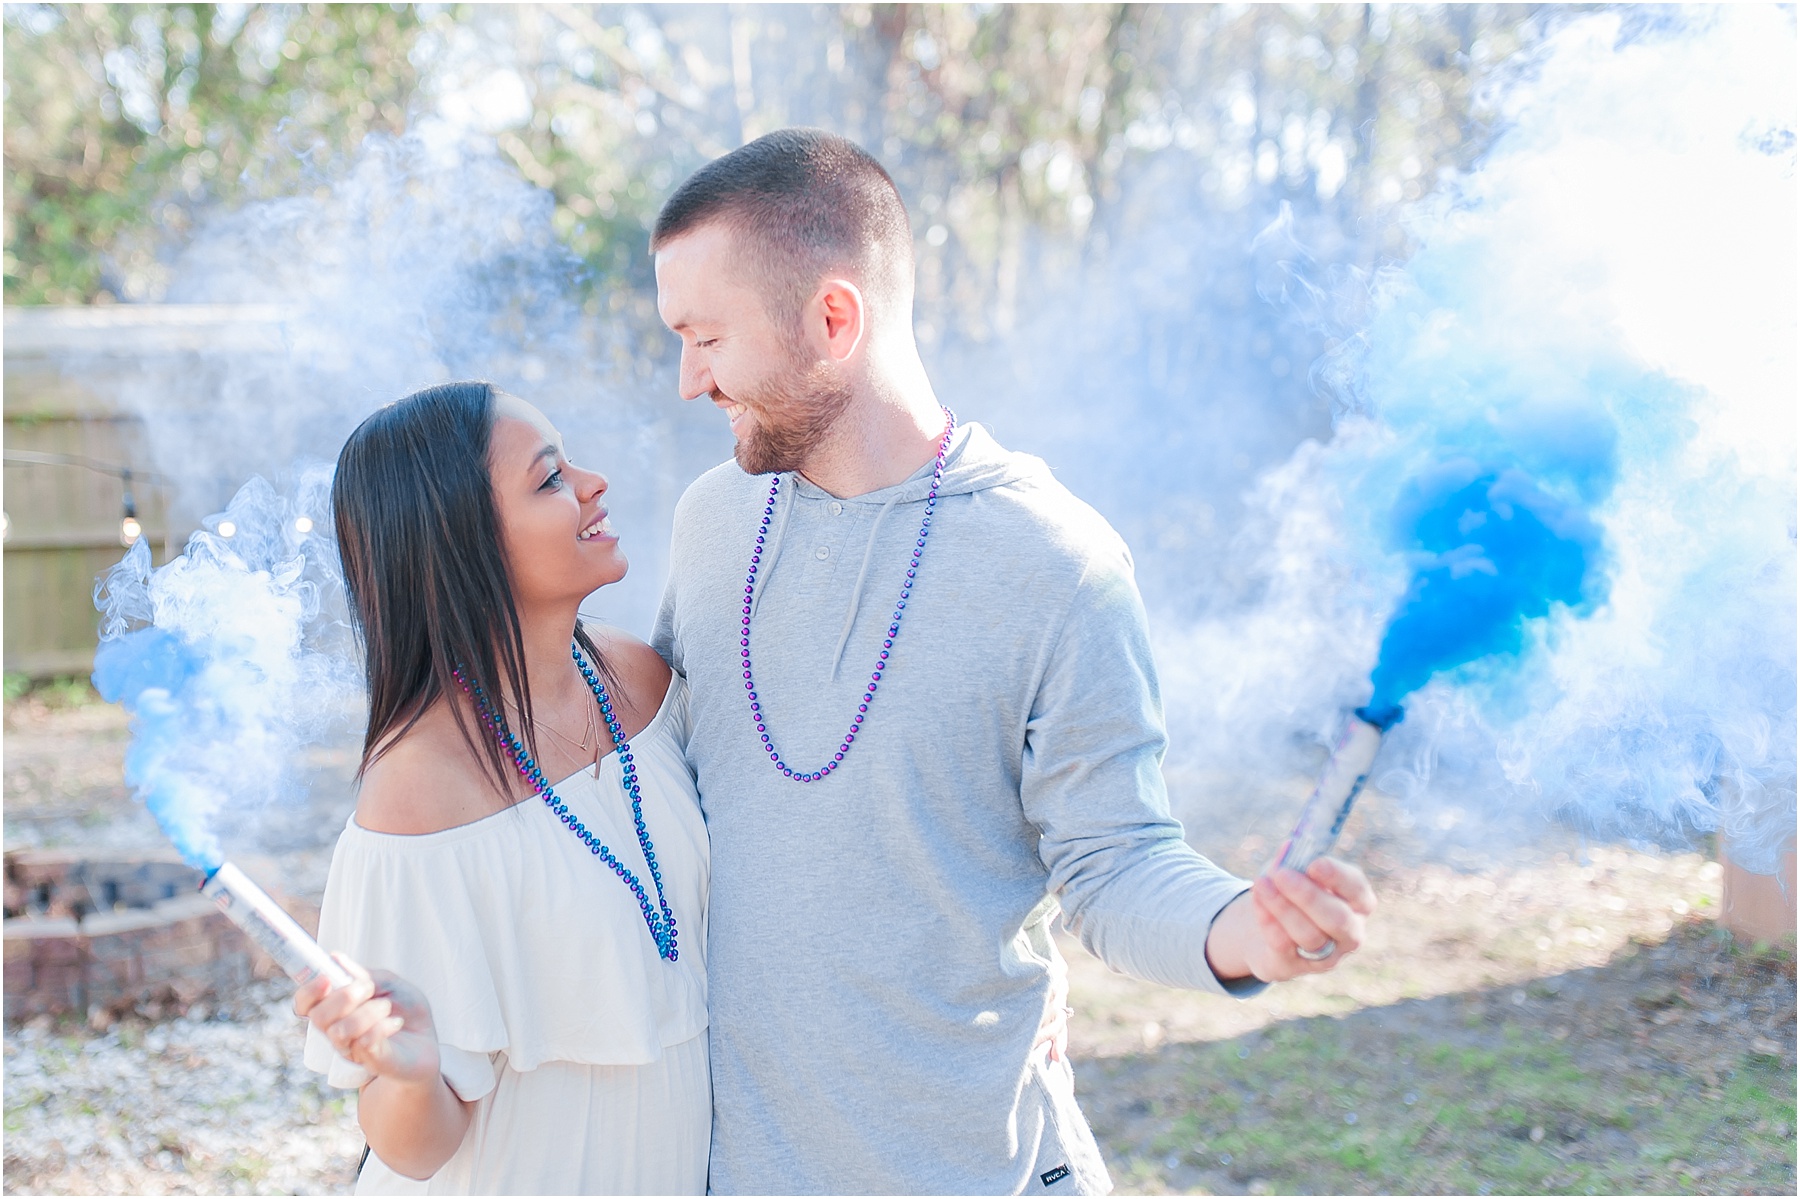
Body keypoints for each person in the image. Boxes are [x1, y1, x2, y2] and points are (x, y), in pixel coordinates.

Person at [650, 128, 1378, 1194]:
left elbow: (1117, 860)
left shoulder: (1058, 563)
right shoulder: (711, 522)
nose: (686, 380)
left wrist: (1237, 930)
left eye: (705, 337)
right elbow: (658, 790)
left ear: (834, 318)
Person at [293, 382, 712, 1194]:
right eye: (550, 478)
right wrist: (409, 1074)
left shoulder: (645, 678)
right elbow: (414, 1148)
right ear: (464, 542)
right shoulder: (418, 791)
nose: (594, 483)